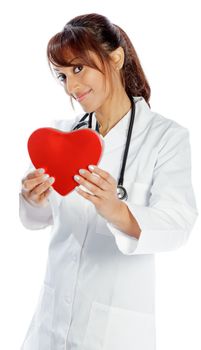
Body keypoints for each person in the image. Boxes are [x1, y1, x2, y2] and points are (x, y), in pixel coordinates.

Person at [19, 13, 198, 350]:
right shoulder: (59, 135)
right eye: (62, 76)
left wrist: (117, 210)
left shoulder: (165, 137)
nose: (71, 87)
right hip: (50, 324)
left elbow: (179, 224)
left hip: (115, 331)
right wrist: (33, 199)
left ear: (115, 58)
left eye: (78, 69)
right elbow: (36, 222)